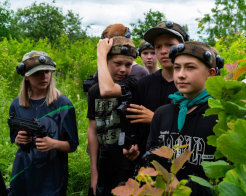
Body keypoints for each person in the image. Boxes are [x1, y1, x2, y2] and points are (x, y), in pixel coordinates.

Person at [146, 41, 224, 195]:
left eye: (190, 67)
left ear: (210, 73)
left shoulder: (220, 115)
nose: (181, 74)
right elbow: (151, 159)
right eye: (177, 67)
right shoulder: (162, 114)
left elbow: (229, 177)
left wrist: (187, 189)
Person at [8, 51, 79, 196]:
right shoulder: (16, 104)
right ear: (26, 76)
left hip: (52, 178)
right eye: (37, 73)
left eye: (47, 71)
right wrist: (18, 139)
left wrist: (53, 144)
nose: (44, 76)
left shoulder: (63, 105)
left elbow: (72, 145)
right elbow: (14, 138)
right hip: (23, 173)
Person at [126, 21, 190, 158]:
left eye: (170, 45)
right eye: (158, 46)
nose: (163, 51)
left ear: (183, 47)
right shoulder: (143, 84)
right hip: (147, 160)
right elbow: (134, 124)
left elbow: (195, 125)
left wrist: (155, 119)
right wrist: (133, 147)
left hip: (182, 160)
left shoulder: (191, 86)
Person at [87, 36, 139, 196]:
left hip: (128, 166)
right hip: (104, 165)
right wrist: (94, 172)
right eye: (117, 63)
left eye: (128, 64)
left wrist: (101, 54)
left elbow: (108, 91)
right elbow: (93, 131)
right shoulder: (94, 91)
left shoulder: (134, 83)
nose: (123, 69)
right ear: (106, 62)